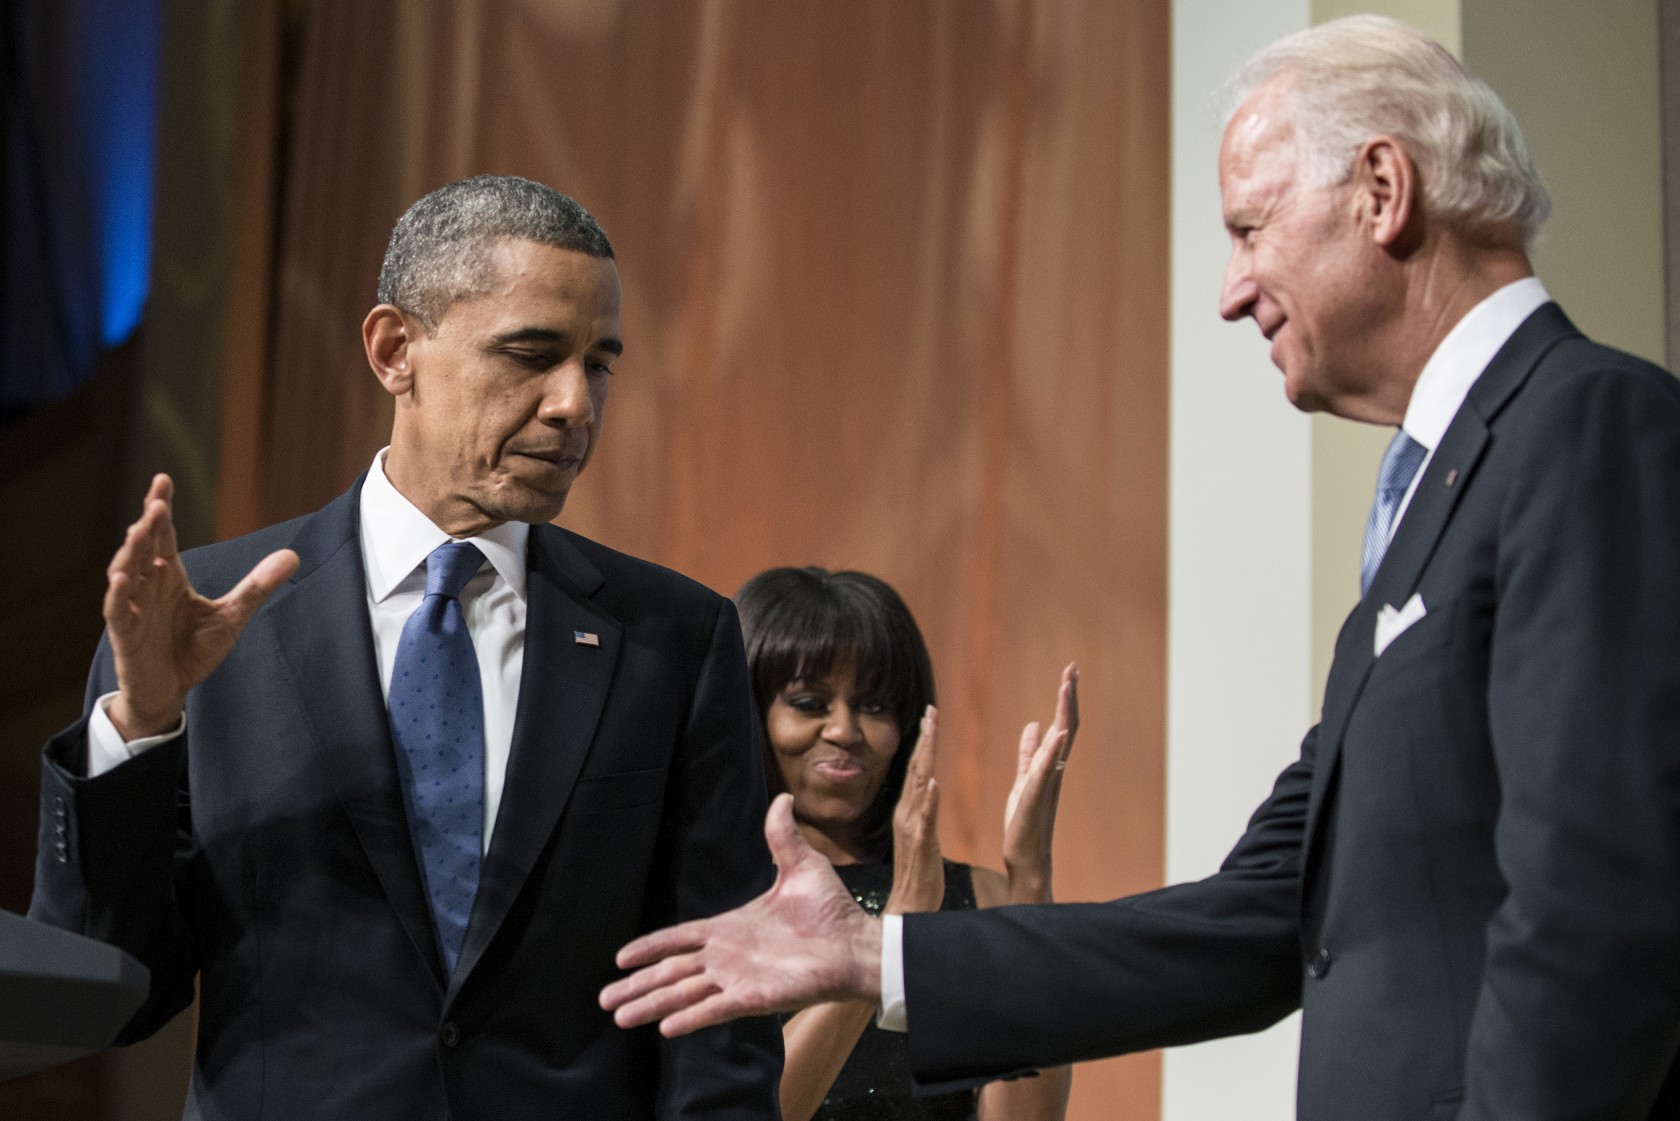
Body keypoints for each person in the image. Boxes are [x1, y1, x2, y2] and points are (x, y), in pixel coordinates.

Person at [601, 17, 1680, 1120]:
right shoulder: (1425, 514)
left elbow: (1595, 912)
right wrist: (879, 958)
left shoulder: (1583, 425)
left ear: (1382, 190)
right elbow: (1254, 920)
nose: (1231, 288)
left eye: (1251, 229)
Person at [29, 175, 782, 1120]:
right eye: (532, 354)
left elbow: (717, 1021)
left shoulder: (675, 638)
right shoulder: (206, 620)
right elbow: (111, 989)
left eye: (598, 364)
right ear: (395, 351)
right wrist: (141, 724)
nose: (574, 406)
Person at [734, 566, 1074, 1121]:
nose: (845, 730)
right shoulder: (706, 895)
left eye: (873, 706)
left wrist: (1031, 877)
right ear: (746, 712)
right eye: (810, 702)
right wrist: (885, 943)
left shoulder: (980, 900)